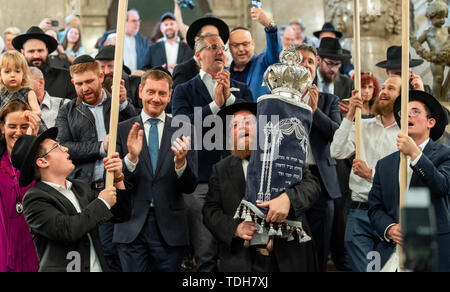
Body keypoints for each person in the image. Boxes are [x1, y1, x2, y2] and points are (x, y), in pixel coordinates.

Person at [203, 101, 320, 272]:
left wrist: (289, 198)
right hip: (243, 261)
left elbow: (312, 185)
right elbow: (209, 211)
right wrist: (235, 228)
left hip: (289, 257)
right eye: (235, 125)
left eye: (248, 122)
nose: (243, 127)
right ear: (230, 137)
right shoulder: (220, 170)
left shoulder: (285, 155)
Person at [172, 33, 253, 271]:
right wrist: (215, 106)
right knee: (205, 251)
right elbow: (181, 125)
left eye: (222, 47)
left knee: (237, 249)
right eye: (213, 47)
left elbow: (252, 126)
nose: (220, 51)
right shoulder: (184, 90)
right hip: (200, 182)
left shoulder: (242, 89)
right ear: (198, 55)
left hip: (238, 179)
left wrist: (229, 102)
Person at [55, 55, 137, 271]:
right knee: (100, 253)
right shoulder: (68, 110)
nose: (85, 88)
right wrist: (101, 147)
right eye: (79, 83)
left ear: (101, 76)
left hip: (120, 187)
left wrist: (125, 104)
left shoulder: (117, 104)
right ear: (73, 83)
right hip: (86, 191)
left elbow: (137, 131)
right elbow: (64, 147)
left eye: (89, 81)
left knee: (124, 251)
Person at [11, 126, 132, 272]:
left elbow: (122, 214)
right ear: (42, 162)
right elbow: (68, 230)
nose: (65, 149)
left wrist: (118, 177)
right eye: (56, 147)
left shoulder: (80, 187)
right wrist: (102, 202)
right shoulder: (34, 199)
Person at [114, 69, 198, 272]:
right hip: (131, 226)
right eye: (151, 92)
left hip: (169, 229)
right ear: (141, 91)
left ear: (170, 95)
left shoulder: (184, 130)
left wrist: (180, 163)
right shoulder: (121, 129)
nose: (156, 98)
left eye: (162, 93)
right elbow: (115, 180)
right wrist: (131, 159)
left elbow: (190, 186)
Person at [369, 90, 450, 272]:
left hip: (431, 251)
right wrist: (389, 229)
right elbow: (375, 207)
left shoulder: (445, 155)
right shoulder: (384, 164)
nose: (407, 115)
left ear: (431, 122)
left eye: (415, 111)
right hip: (392, 253)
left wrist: (415, 153)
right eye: (403, 113)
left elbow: (442, 186)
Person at [330, 75, 402, 272]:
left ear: (403, 97)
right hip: (359, 210)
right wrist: (351, 114)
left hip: (390, 215)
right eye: (384, 87)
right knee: (366, 268)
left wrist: (371, 174)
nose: (384, 92)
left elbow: (405, 175)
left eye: (392, 88)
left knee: (384, 267)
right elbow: (336, 151)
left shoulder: (405, 134)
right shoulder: (363, 125)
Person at [295, 43, 342, 271]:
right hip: (290, 178)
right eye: (300, 60)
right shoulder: (279, 99)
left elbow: (337, 134)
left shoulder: (328, 100)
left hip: (321, 181)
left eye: (310, 61)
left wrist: (315, 112)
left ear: (317, 66)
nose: (305, 65)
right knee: (294, 247)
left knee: (320, 246)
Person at [0, 100, 40, 272]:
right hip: (3, 240)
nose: (18, 132)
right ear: (2, 127)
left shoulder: (39, 162)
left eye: (24, 126)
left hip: (32, 242)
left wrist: (31, 140)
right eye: (12, 126)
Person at [12, 26, 77, 100]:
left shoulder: (65, 77)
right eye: (31, 51)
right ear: (22, 52)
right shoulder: (13, 79)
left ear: (47, 51)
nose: (36, 55)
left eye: (40, 51)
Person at [229, 7, 279, 101]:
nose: (241, 49)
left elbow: (275, 51)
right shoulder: (224, 73)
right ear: (229, 47)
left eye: (245, 44)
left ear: (253, 44)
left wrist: (270, 26)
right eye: (235, 45)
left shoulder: (265, 64)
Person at [172, 16, 230, 90]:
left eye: (217, 36)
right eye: (208, 35)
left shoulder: (225, 72)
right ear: (197, 40)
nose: (214, 40)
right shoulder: (183, 70)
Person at [416, 0, 449, 99]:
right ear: (431, 16)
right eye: (439, 17)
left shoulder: (447, 29)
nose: (442, 20)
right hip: (436, 59)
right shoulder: (428, 32)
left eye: (444, 17)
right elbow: (417, 43)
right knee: (438, 78)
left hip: (447, 56)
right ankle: (438, 99)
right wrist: (424, 53)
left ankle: (445, 92)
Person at [0, 50, 41, 116]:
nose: (12, 75)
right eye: (7, 71)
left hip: (26, 124)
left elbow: (38, 111)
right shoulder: (1, 93)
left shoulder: (28, 92)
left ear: (23, 74)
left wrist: (30, 113)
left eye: (17, 71)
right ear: (0, 75)